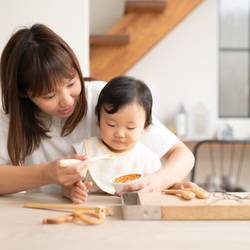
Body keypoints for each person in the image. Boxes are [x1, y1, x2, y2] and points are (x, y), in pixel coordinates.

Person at [0, 23, 195, 197]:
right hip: (42, 218)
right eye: (49, 96)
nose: (67, 100)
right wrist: (47, 173)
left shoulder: (102, 98)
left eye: (71, 83)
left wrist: (160, 181)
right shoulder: (10, 118)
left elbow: (182, 154)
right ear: (23, 93)